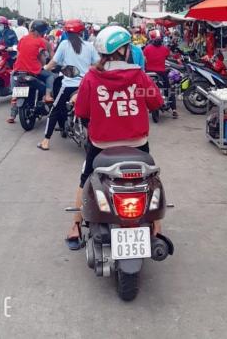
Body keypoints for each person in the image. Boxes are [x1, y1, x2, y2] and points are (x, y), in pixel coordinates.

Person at [65, 26, 163, 249]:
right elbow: (156, 102)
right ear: (124, 50)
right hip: (137, 144)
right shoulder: (138, 76)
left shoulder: (91, 77)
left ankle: (76, 225)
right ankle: (157, 226)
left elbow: (81, 112)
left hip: (101, 146)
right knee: (151, 179)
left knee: (85, 177)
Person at [37, 20, 99, 151]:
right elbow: (98, 65)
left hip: (68, 86)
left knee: (54, 110)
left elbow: (53, 62)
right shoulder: (89, 46)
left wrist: (45, 67)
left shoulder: (64, 44)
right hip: (86, 85)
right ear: (82, 32)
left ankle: (45, 141)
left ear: (66, 32)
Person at [7, 20, 54, 123]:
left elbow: (19, 55)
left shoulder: (22, 39)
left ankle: (12, 115)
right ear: (40, 32)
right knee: (50, 76)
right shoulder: (40, 41)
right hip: (33, 71)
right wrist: (43, 65)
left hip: (17, 71)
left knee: (15, 93)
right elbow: (42, 58)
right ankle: (47, 96)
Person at [143, 29, 178, 118]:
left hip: (149, 73)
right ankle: (174, 110)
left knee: (145, 91)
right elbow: (169, 56)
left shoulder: (147, 49)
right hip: (161, 73)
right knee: (169, 89)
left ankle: (147, 107)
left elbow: (144, 60)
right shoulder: (164, 49)